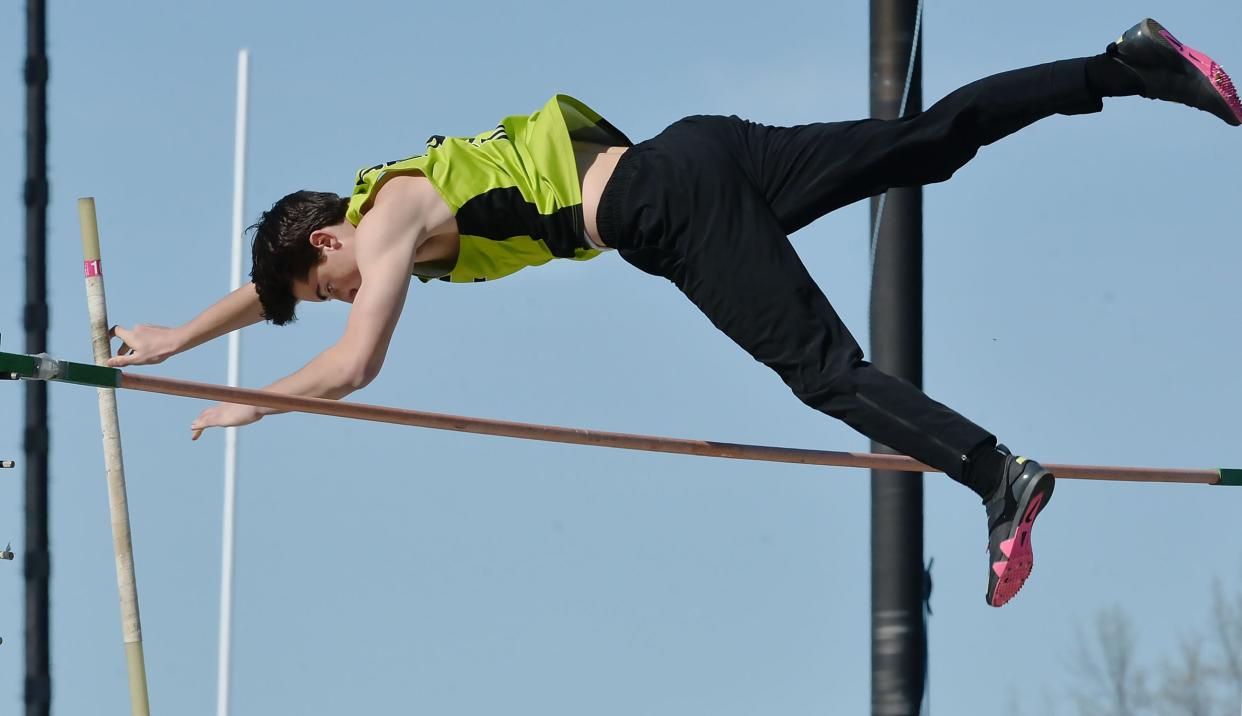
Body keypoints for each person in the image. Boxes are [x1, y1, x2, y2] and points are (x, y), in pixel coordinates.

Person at [108, 18, 1240, 607]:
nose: (350, 295)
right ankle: (1129, 66)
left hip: (664, 207)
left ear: (331, 241)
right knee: (927, 144)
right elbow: (274, 293)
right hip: (694, 151)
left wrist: (253, 403)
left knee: (824, 372)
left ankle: (1000, 475)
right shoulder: (376, 206)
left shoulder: (392, 214)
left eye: (331, 283)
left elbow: (356, 366)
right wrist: (175, 338)